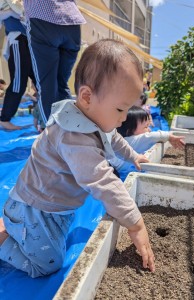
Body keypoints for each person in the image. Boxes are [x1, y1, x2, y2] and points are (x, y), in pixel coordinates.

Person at [0, 39, 155, 278]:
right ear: (86, 97)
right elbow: (103, 181)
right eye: (120, 109)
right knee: (48, 264)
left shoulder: (93, 116)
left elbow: (113, 138)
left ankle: (13, 228)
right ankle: (3, 237)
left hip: (54, 208)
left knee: (54, 243)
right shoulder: (74, 136)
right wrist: (135, 223)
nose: (124, 118)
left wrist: (133, 155)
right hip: (35, 210)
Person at [23, 0, 86, 125]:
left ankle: (53, 136)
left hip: (42, 18)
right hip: (71, 20)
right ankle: (75, 131)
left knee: (47, 85)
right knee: (61, 83)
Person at [110, 106, 185, 176]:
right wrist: (169, 136)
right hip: (120, 171)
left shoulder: (125, 138)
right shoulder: (131, 140)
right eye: (145, 127)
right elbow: (150, 137)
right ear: (129, 131)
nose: (149, 130)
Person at [0, 1, 36, 130]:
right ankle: (5, 119)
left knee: (39, 82)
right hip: (17, 39)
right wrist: (9, 13)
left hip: (30, 41)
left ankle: (42, 115)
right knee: (18, 83)